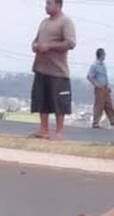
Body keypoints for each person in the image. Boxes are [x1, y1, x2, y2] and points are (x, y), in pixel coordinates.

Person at [30, 0, 76, 140]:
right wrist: (35, 45)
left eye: (49, 3)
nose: (46, 6)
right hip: (41, 68)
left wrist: (49, 46)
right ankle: (43, 130)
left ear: (58, 5)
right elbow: (36, 40)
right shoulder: (44, 22)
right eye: (46, 3)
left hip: (57, 71)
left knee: (58, 102)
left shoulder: (65, 22)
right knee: (41, 100)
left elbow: (70, 43)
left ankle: (59, 132)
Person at [87, 48, 114, 128]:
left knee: (108, 104)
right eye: (104, 54)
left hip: (105, 87)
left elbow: (104, 77)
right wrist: (96, 84)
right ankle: (95, 123)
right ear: (101, 55)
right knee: (99, 105)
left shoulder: (103, 65)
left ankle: (113, 121)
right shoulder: (95, 65)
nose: (105, 56)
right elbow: (89, 76)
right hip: (99, 88)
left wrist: (107, 86)